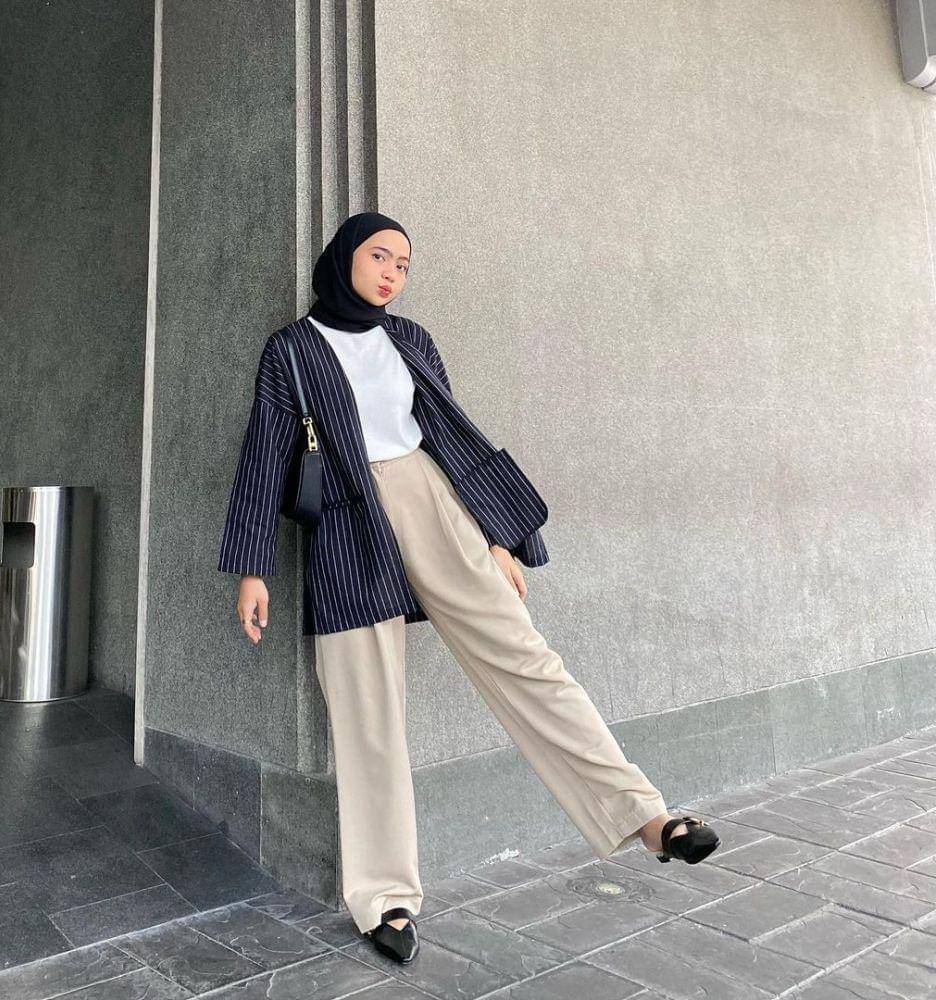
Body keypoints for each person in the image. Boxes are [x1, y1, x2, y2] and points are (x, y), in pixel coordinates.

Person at [219, 212, 720, 965]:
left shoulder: (409, 339)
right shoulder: (291, 350)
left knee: (523, 655)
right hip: (347, 528)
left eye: (404, 264)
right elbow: (266, 453)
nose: (392, 274)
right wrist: (254, 567)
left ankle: (644, 816)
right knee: (366, 709)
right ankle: (384, 898)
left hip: (433, 502)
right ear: (343, 259)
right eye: (379, 256)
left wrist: (496, 536)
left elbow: (452, 436)